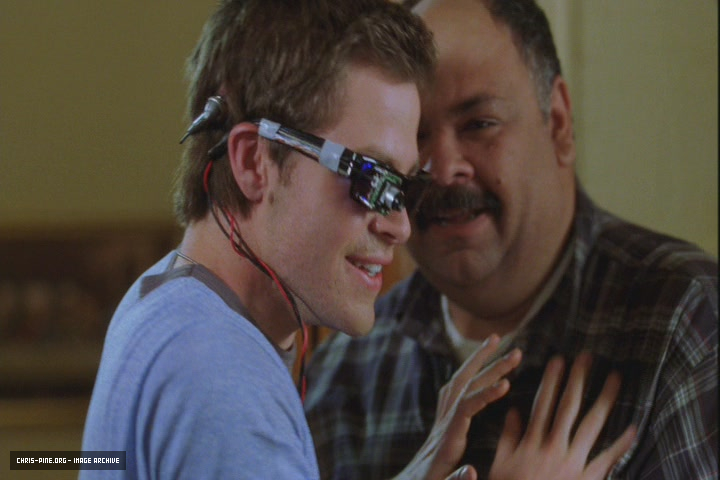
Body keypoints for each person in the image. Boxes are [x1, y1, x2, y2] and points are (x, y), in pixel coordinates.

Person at [304, 0, 719, 479]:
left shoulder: (686, 322)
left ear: (558, 121)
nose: (442, 169)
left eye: (479, 124)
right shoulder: (345, 372)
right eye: (416, 136)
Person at [80, 1, 447, 477]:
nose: (399, 225)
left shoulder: (165, 301)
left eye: (405, 187)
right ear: (254, 162)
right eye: (371, 177)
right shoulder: (223, 379)